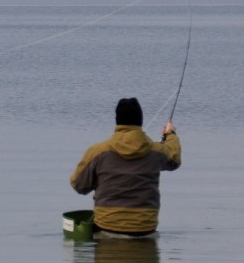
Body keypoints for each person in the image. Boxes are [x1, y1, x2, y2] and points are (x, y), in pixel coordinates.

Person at [70, 97, 181, 236]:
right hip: (145, 230)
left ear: (117, 121)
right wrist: (170, 135)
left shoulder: (97, 152)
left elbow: (78, 185)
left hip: (106, 227)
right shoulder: (156, 152)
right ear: (140, 120)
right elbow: (174, 160)